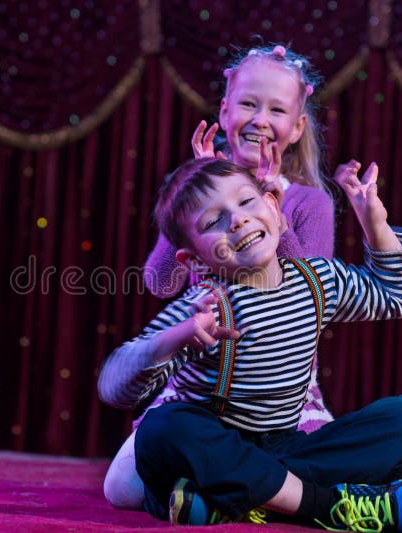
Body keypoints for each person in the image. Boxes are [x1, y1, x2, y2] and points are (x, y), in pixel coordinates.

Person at [98, 157, 402, 532]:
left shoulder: (318, 280)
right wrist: (172, 338)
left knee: (401, 423)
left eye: (246, 202)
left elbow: (395, 296)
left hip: (285, 448)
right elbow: (114, 387)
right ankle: (328, 506)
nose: (238, 220)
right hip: (216, 451)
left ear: (275, 210)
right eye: (213, 222)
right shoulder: (205, 309)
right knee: (162, 427)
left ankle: (232, 500)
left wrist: (374, 221)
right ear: (194, 259)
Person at [104, 43, 346, 509]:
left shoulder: (307, 203)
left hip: (279, 387)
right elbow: (161, 283)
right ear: (225, 110)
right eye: (249, 104)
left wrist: (276, 214)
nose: (259, 119)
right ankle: (238, 490)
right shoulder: (197, 193)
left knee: (330, 460)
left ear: (296, 127)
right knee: (122, 490)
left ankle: (223, 493)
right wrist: (189, 198)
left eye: (276, 109)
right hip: (203, 378)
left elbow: (315, 299)